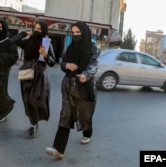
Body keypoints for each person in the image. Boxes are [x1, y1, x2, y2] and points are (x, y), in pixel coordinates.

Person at [45, 21, 100, 159]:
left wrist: (85, 75)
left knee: (85, 114)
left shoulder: (93, 47)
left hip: (84, 86)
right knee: (65, 115)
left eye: (78, 33)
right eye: (73, 33)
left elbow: (94, 64)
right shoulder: (70, 47)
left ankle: (87, 133)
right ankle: (58, 149)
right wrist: (67, 65)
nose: (75, 35)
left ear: (85, 33)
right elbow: (62, 62)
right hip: (68, 85)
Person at [11, 21, 55, 137]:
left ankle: (34, 122)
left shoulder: (46, 44)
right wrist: (24, 33)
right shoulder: (27, 41)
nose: (36, 31)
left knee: (33, 99)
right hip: (26, 72)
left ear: (44, 31)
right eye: (35, 28)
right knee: (27, 99)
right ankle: (33, 122)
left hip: (39, 74)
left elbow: (52, 62)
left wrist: (45, 55)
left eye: (39, 29)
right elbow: (13, 41)